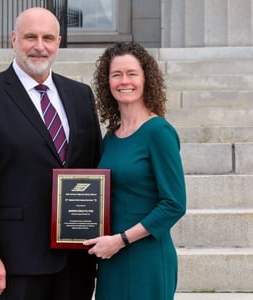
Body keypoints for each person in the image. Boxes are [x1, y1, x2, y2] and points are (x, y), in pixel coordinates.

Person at [0, 7, 102, 300]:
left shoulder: (80, 95)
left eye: (48, 37)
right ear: (14, 39)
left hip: (76, 257)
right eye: (30, 37)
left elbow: (94, 166)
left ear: (59, 42)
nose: (39, 46)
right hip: (17, 259)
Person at [83, 42, 186, 300]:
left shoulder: (159, 132)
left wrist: (121, 240)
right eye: (116, 74)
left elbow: (174, 204)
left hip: (145, 256)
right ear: (107, 82)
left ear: (145, 79)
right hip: (110, 256)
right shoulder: (110, 138)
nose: (124, 81)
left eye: (132, 73)